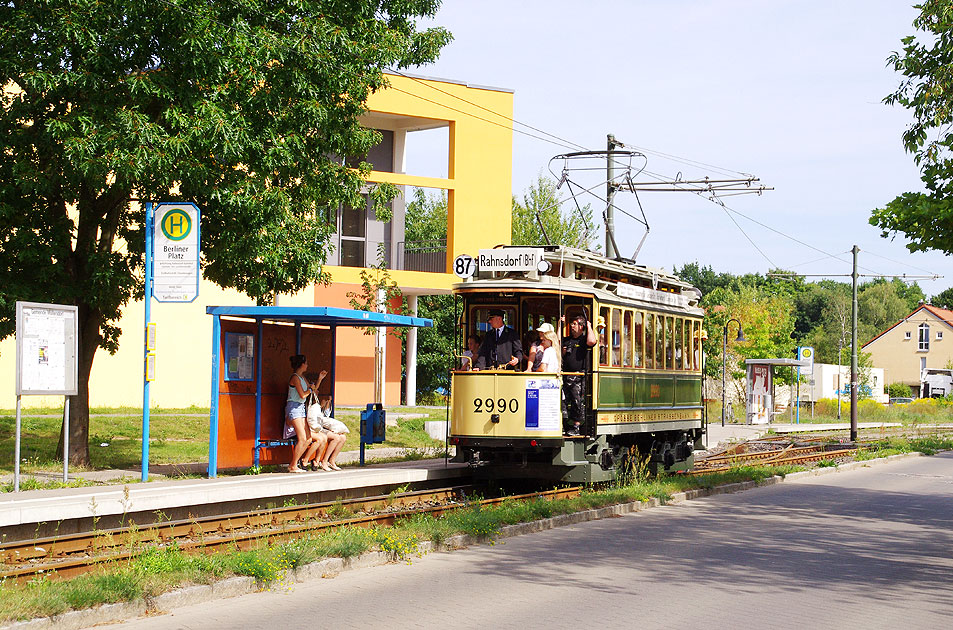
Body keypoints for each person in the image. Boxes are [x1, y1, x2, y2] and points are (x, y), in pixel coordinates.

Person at [285, 355, 326, 473]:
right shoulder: (295, 378)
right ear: (301, 364)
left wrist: (319, 379)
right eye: (306, 363)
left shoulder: (302, 377)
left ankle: (295, 463)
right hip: (294, 408)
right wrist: (311, 390)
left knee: (308, 439)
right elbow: (303, 394)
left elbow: (314, 391)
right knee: (302, 438)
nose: (307, 365)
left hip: (301, 408)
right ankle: (293, 465)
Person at [561, 314, 597, 436]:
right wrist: (561, 324)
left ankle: (576, 426)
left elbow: (592, 341)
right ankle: (566, 425)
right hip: (565, 375)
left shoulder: (583, 340)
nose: (572, 326)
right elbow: (557, 341)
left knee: (577, 401)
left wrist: (589, 326)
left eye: (575, 324)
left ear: (581, 326)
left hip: (578, 376)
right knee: (564, 400)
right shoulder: (567, 340)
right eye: (571, 324)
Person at [316, 396, 347, 471]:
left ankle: (332, 460)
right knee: (336, 438)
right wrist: (320, 406)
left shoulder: (323, 405)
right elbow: (315, 418)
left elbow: (326, 415)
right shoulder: (313, 405)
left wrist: (328, 403)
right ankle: (324, 461)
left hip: (323, 428)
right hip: (316, 428)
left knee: (343, 437)